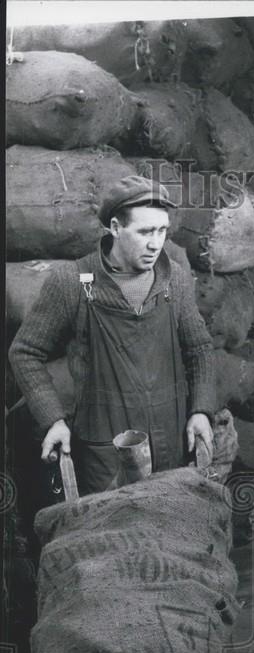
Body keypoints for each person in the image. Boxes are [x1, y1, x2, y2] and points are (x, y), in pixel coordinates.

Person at [9, 175, 215, 495]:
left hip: (170, 440)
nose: (155, 243)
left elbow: (200, 347)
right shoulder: (73, 282)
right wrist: (53, 419)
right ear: (116, 228)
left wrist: (201, 409)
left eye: (162, 231)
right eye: (145, 231)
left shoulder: (174, 279)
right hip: (105, 452)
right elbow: (24, 352)